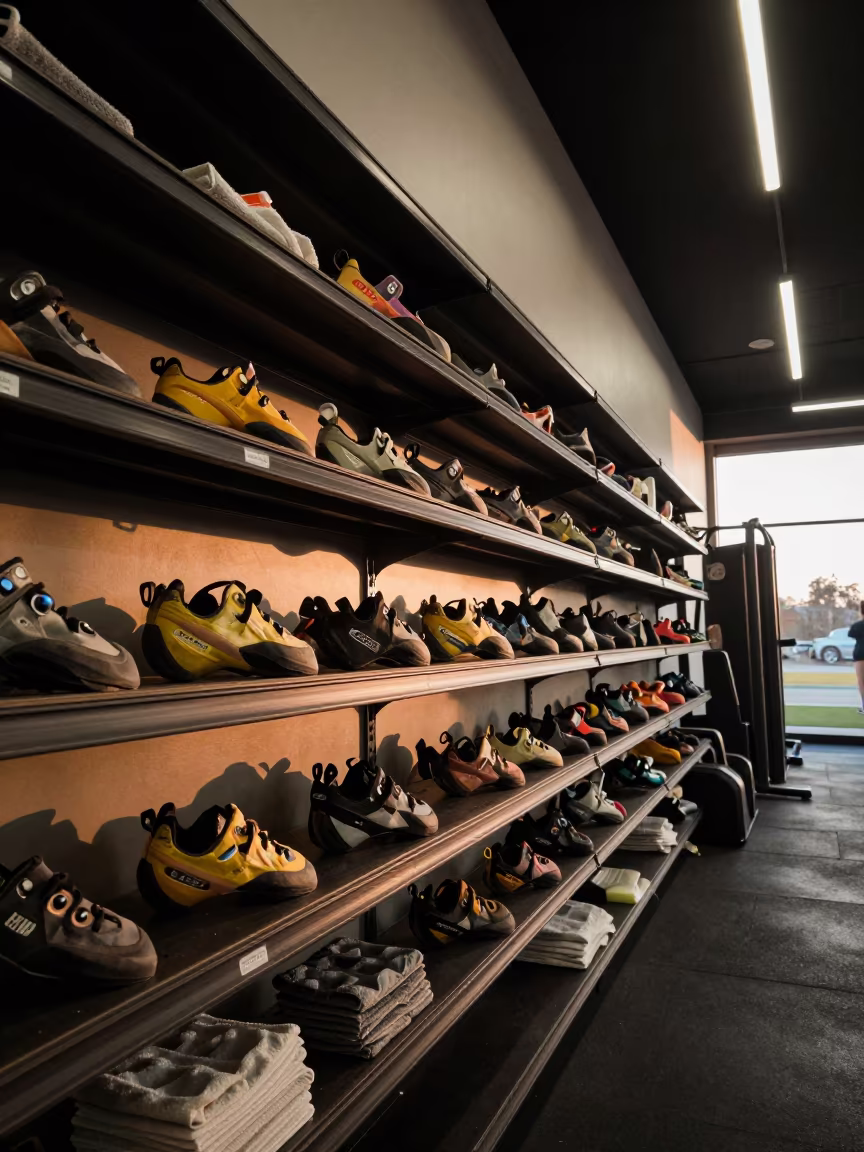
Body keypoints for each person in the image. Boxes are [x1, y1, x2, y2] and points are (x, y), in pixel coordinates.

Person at [851, 601, 864, 714]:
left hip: (860, 654)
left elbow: (852, 635)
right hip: (859, 654)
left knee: (862, 681)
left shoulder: (857, 626)